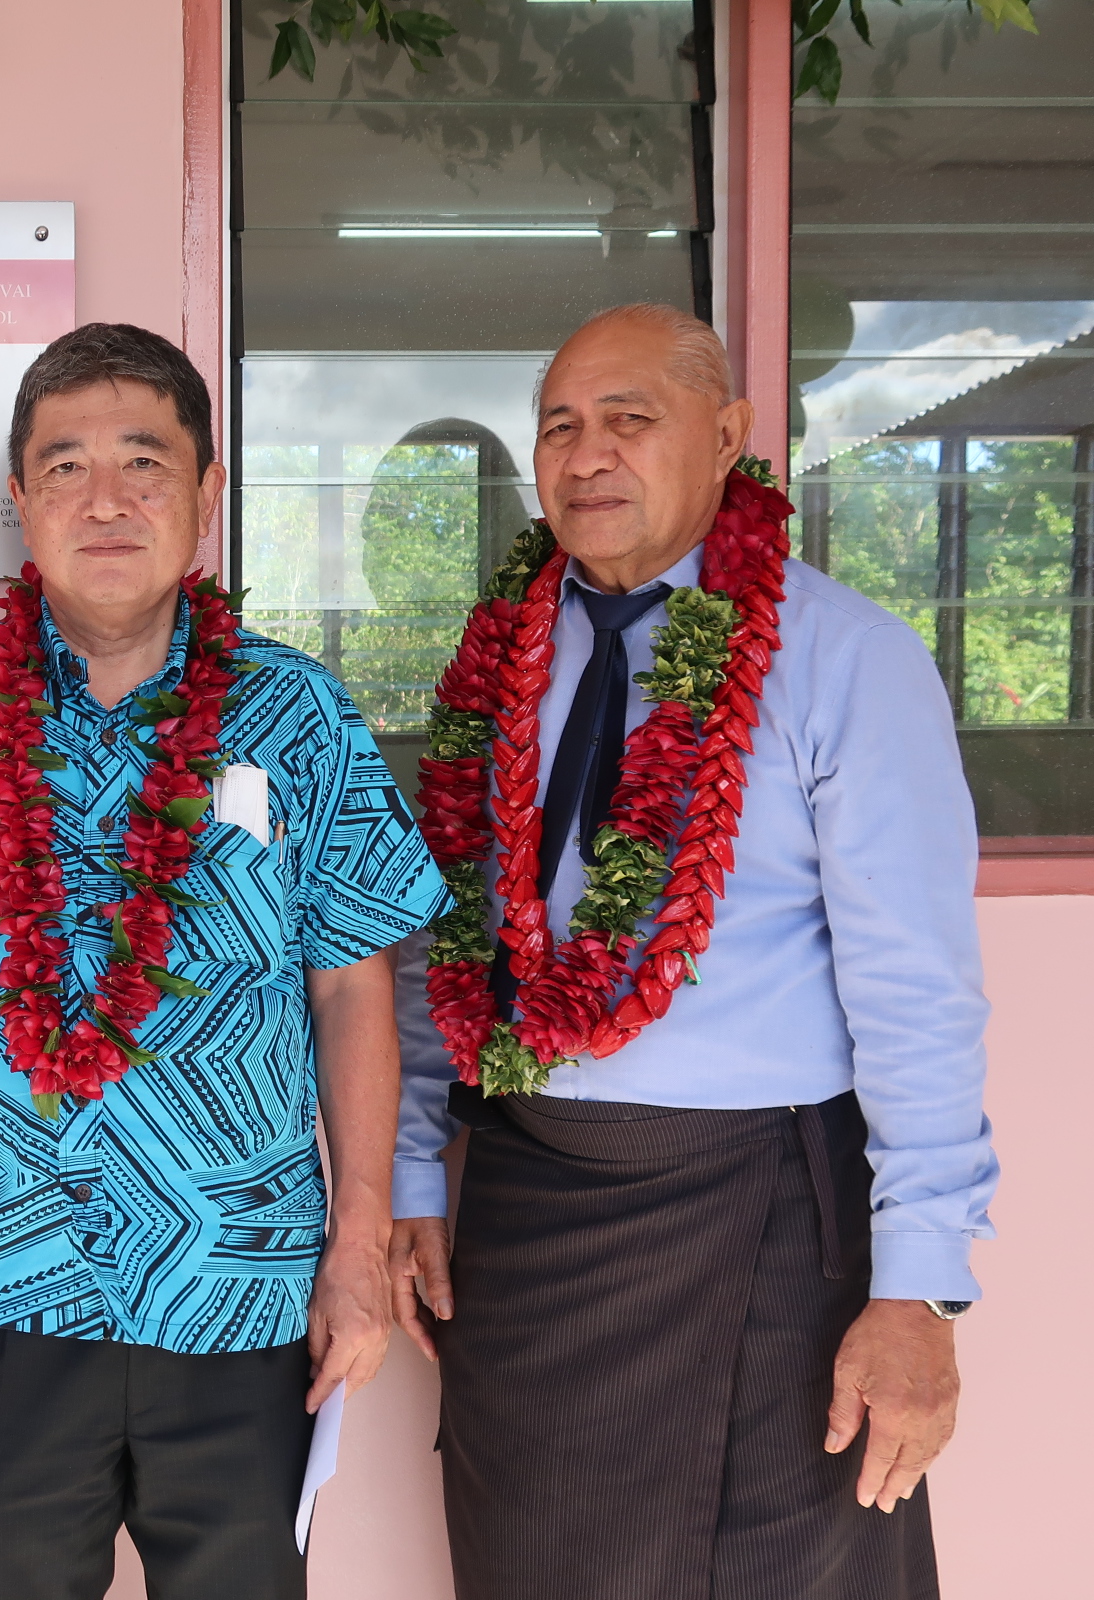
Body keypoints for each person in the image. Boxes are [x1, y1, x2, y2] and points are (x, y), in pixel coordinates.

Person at [0, 322, 449, 1600]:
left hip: (243, 1286)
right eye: (65, 466)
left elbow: (352, 983)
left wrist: (359, 1244)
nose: (106, 500)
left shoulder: (297, 712)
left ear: (206, 495)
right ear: (20, 503)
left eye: (144, 462)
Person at [389, 302, 999, 1599]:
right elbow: (438, 928)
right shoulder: (498, 660)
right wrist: (411, 1174)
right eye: (560, 426)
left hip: (769, 1219)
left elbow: (917, 995)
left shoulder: (848, 661)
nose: (587, 455)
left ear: (727, 440)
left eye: (630, 419)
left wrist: (922, 1293)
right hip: (530, 1214)